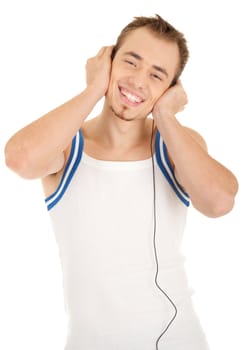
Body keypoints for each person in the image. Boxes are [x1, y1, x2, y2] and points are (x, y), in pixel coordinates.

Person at [4, 14, 238, 350]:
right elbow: (20, 158)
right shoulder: (68, 147)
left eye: (157, 75)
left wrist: (166, 117)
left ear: (171, 90)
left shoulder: (176, 146)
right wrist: (94, 89)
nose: (139, 81)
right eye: (131, 62)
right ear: (108, 61)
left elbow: (219, 202)